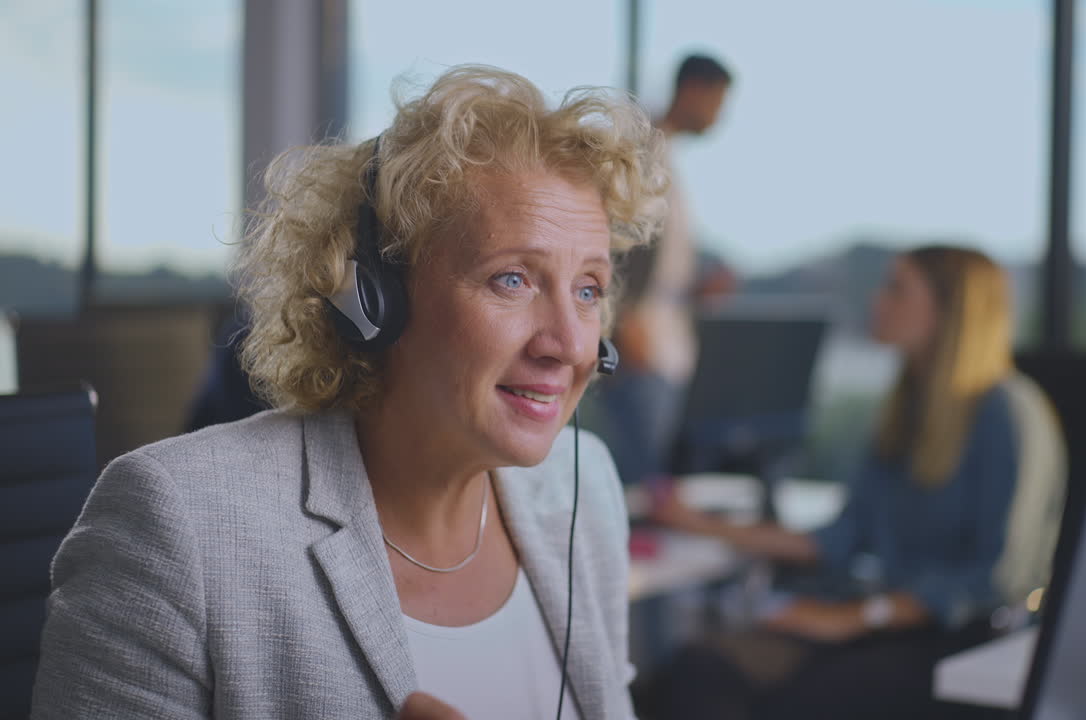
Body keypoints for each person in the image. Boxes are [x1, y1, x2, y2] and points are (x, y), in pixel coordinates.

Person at [31, 66, 666, 719]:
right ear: (371, 300)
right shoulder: (176, 525)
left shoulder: (582, 495)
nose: (569, 344)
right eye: (511, 279)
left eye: (587, 290)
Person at [647, 246, 1029, 719]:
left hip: (954, 640)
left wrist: (857, 617)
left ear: (947, 312)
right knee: (699, 668)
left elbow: (992, 578)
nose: (877, 299)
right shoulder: (905, 411)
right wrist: (699, 523)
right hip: (884, 622)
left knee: (787, 701)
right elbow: (840, 538)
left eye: (897, 289)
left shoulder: (1001, 412)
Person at [598, 54, 733, 486]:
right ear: (694, 90)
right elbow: (611, 237)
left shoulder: (668, 158)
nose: (719, 116)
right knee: (647, 482)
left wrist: (694, 288)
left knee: (659, 476)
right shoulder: (639, 150)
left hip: (668, 343)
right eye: (718, 101)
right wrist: (620, 319)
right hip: (642, 344)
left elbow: (655, 265)